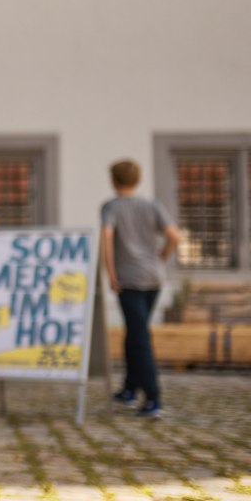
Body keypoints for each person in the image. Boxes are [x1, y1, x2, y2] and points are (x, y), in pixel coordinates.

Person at [101, 159, 180, 419]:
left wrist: (111, 274)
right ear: (138, 180)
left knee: (139, 337)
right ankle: (129, 389)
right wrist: (160, 258)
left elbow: (107, 240)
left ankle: (153, 398)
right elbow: (174, 236)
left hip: (130, 280)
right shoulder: (152, 205)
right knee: (135, 332)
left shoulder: (111, 207)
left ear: (114, 180)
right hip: (153, 278)